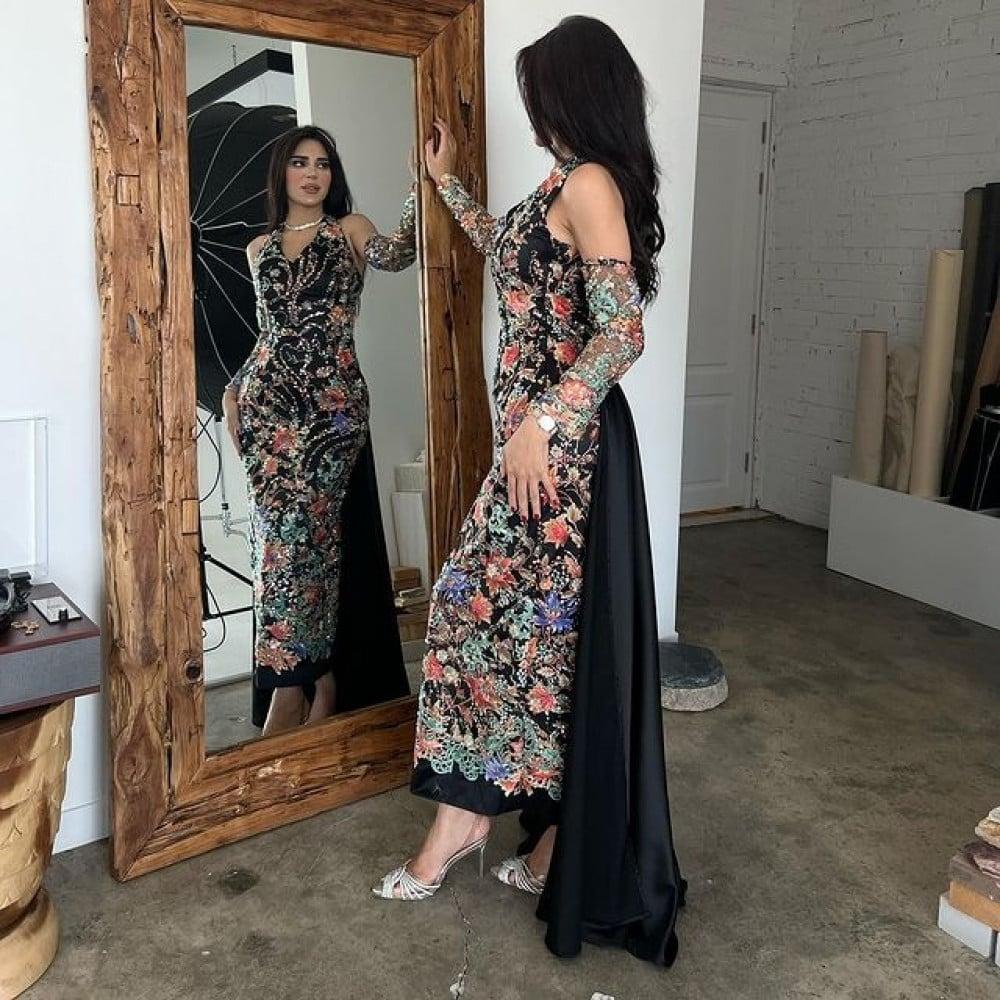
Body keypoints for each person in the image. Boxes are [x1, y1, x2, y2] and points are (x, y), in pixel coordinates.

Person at [372, 16, 685, 966]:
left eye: (538, 92)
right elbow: (504, 249)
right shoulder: (560, 184)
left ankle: (465, 824)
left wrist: (542, 422)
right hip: (535, 449)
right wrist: (447, 185)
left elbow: (621, 332)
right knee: (544, 644)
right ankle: (550, 839)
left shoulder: (591, 184)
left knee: (478, 616)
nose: (531, 109)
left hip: (560, 455)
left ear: (572, 93)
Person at [222, 126, 415, 736]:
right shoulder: (258, 248)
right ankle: (298, 685)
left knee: (315, 542)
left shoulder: (350, 229)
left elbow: (400, 254)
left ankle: (312, 682)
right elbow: (269, 333)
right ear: (281, 172)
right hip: (266, 407)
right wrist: (232, 389)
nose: (312, 174)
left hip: (333, 409)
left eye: (324, 164)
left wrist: (421, 182)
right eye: (301, 163)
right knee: (273, 548)